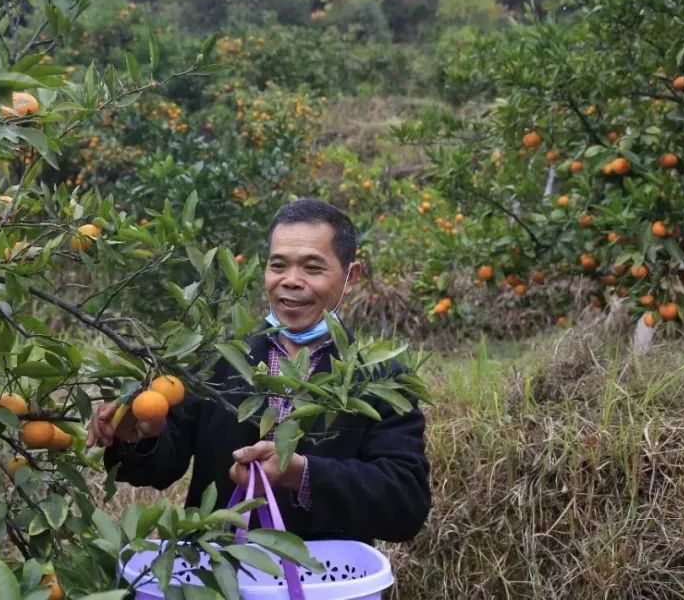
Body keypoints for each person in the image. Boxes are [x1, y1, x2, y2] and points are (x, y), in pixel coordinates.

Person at [86, 198, 430, 543]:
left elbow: (405, 503)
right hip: (216, 573)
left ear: (350, 276)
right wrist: (140, 433)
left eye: (313, 268)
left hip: (320, 576)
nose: (291, 281)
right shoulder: (220, 357)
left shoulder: (380, 376)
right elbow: (158, 468)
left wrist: (301, 474)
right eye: (278, 265)